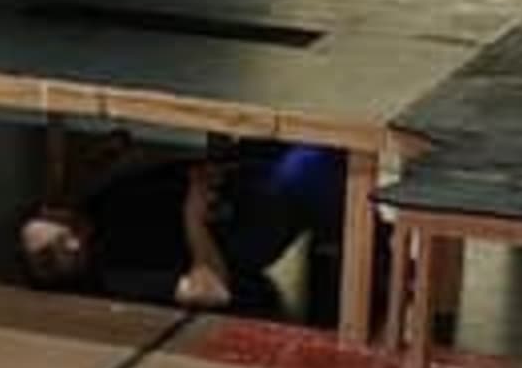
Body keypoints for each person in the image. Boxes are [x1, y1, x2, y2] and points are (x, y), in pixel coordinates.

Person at [18, 130, 343, 317]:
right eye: (53, 216)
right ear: (72, 245)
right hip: (244, 227)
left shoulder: (92, 213)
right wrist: (194, 213)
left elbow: (74, 192)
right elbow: (212, 292)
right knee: (311, 164)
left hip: (229, 180)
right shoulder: (121, 275)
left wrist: (100, 159)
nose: (54, 207)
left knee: (291, 129)